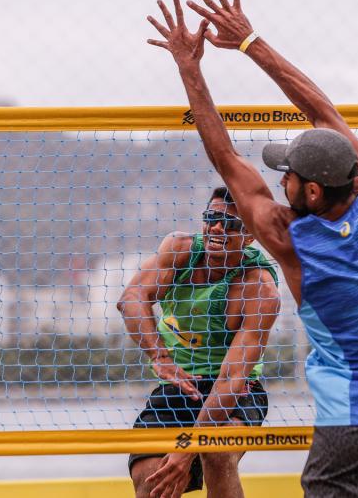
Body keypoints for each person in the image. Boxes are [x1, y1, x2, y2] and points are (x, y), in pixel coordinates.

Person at [146, 0, 358, 498]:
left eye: (286, 175)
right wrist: (250, 40)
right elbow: (323, 113)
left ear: (309, 189)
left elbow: (227, 160)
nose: (279, 181)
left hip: (345, 424)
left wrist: (190, 69)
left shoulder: (290, 239)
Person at [118, 186, 280, 498]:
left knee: (216, 454)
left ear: (249, 236)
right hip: (180, 384)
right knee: (150, 476)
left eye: (229, 223)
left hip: (235, 389)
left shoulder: (258, 288)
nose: (217, 227)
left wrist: (187, 448)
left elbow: (232, 379)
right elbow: (131, 298)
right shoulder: (179, 249)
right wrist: (160, 357)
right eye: (211, 218)